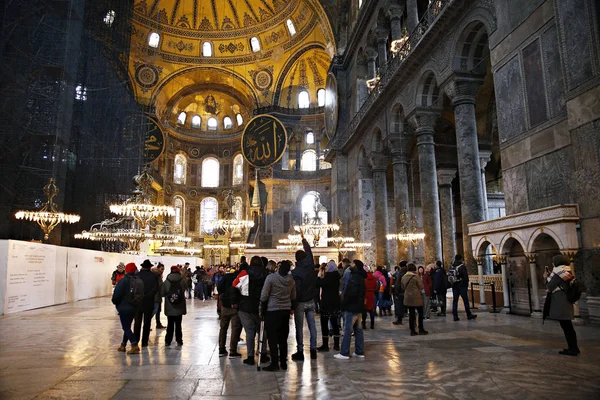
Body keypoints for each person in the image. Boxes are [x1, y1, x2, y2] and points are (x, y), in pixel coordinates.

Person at [260, 260, 296, 371]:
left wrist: (262, 308)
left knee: (272, 338)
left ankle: (275, 363)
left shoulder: (271, 278)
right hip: (285, 311)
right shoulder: (291, 281)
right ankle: (284, 362)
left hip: (272, 310)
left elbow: (264, 295)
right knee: (283, 338)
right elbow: (293, 296)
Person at [233, 256, 268, 366]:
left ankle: (250, 356)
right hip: (261, 307)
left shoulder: (244, 273)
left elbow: (235, 285)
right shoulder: (266, 274)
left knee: (249, 332)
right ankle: (262, 355)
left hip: (245, 306)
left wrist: (236, 300)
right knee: (262, 332)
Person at [544, 254, 580, 356]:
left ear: (557, 262)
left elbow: (549, 286)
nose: (552, 263)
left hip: (561, 302)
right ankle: (574, 347)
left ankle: (572, 349)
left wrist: (546, 277)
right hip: (565, 301)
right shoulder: (566, 271)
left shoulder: (559, 273)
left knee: (567, 326)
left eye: (554, 261)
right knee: (568, 326)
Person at [291, 231, 318, 361]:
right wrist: (303, 238)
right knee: (312, 326)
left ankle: (300, 351)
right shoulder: (311, 265)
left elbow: (296, 290)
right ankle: (313, 350)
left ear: (296, 259)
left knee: (299, 327)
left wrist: (294, 303)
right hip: (311, 300)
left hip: (300, 303)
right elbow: (309, 250)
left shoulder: (295, 272)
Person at [335, 259, 366, 360]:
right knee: (358, 330)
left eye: (352, 264)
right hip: (359, 307)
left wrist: (344, 303)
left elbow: (351, 294)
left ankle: (344, 353)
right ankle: (359, 351)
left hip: (351, 307)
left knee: (347, 330)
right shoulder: (360, 277)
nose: (350, 265)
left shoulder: (355, 278)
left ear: (356, 266)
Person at [112, 262, 142, 354]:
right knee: (127, 327)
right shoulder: (139, 281)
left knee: (125, 327)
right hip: (134, 307)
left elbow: (116, 295)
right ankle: (123, 345)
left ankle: (134, 344)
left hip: (124, 307)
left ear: (126, 270)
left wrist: (116, 303)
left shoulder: (123, 281)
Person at [134, 259, 160, 347]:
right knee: (147, 322)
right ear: (150, 267)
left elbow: (133, 289)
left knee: (137, 322)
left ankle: (136, 340)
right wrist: (147, 296)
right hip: (149, 301)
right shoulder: (154, 276)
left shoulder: (136, 276)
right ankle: (144, 342)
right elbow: (155, 289)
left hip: (138, 302)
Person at [217, 267, 243, 358]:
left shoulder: (226, 277)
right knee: (235, 329)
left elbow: (219, 287)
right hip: (235, 306)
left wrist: (223, 294)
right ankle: (233, 351)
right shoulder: (241, 278)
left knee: (223, 327)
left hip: (225, 305)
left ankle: (221, 349)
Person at [316, 260, 341, 351]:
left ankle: (325, 345)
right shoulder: (337, 277)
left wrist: (319, 277)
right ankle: (336, 345)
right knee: (335, 324)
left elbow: (318, 284)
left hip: (326, 303)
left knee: (324, 323)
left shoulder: (328, 277)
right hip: (335, 303)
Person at [161, 266, 187, 346]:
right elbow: (185, 288)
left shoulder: (166, 281)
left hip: (170, 306)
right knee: (178, 324)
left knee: (170, 324)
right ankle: (179, 340)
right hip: (179, 306)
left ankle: (168, 341)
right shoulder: (182, 280)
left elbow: (162, 293)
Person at [402, 263, 428, 336]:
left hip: (408, 297)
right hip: (416, 297)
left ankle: (412, 330)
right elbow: (421, 286)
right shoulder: (415, 276)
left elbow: (403, 287)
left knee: (411, 314)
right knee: (420, 313)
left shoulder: (404, 277)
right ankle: (421, 329)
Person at [450, 255, 477, 321]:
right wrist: (466, 285)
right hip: (461, 286)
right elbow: (465, 277)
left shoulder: (452, 266)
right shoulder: (462, 267)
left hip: (455, 286)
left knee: (455, 301)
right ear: (461, 259)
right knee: (465, 301)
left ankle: (455, 316)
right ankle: (469, 314)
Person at [362, 265, 377, 330]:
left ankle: (364, 324)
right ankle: (372, 324)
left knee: (364, 311)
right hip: (371, 294)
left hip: (365, 295)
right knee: (371, 310)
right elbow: (376, 286)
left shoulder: (363, 278)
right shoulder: (373, 277)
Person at [152, 263, 166, 329]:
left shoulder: (157, 275)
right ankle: (147, 323)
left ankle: (158, 323)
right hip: (156, 296)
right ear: (158, 268)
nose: (163, 270)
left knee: (158, 311)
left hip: (157, 295)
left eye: (163, 269)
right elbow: (160, 285)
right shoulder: (157, 275)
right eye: (162, 269)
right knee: (155, 310)